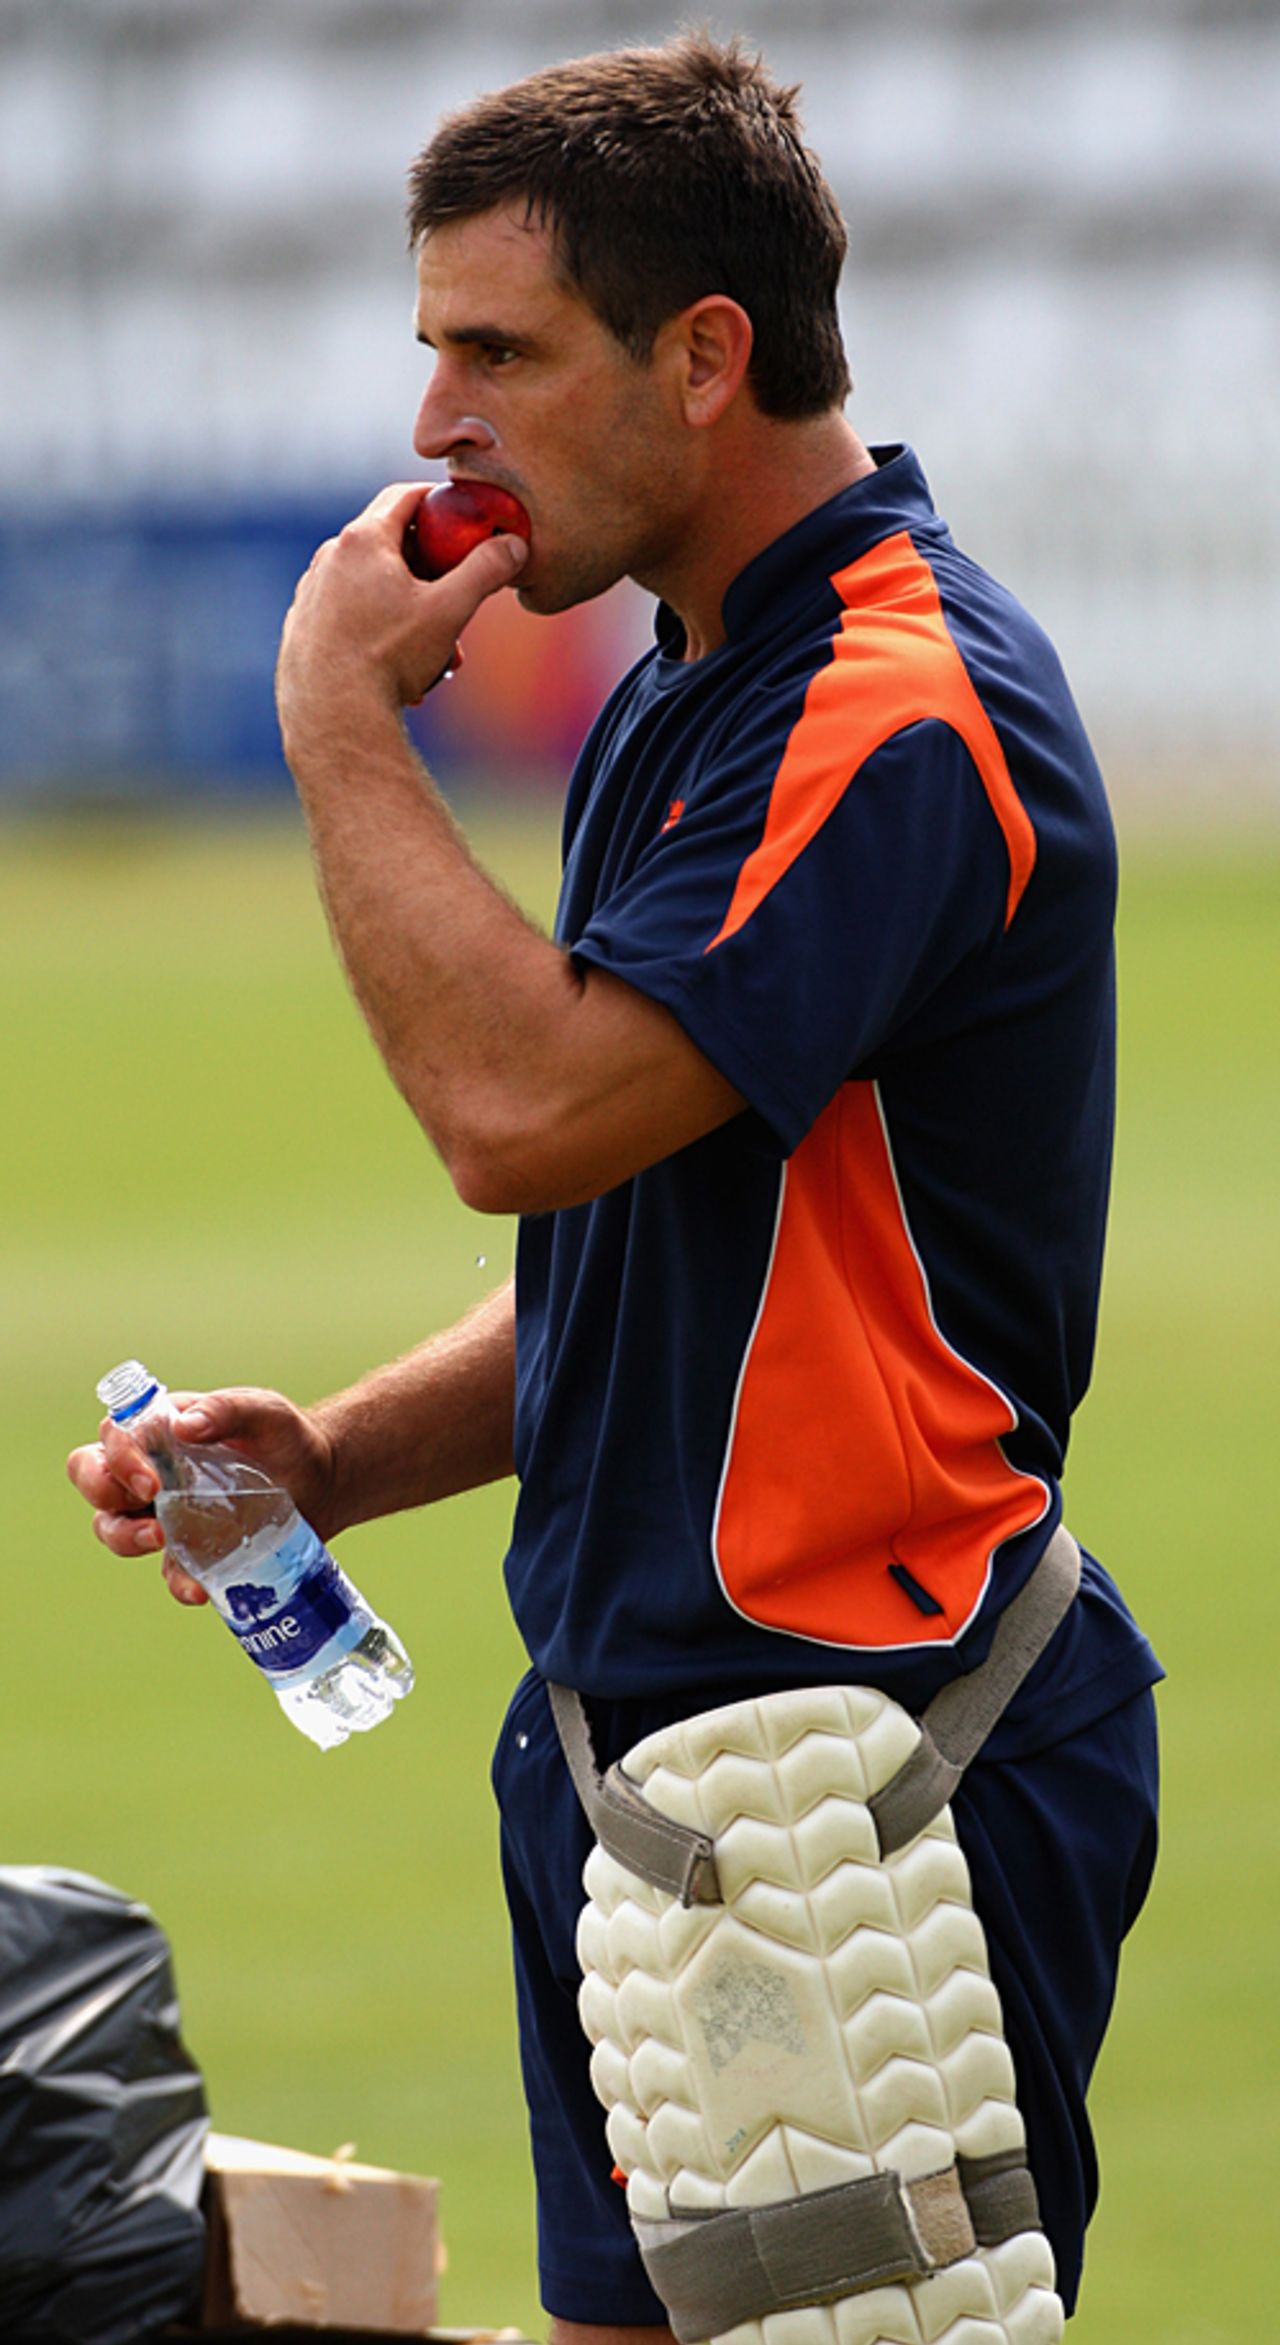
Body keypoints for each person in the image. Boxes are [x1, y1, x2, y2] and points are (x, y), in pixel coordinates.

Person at [67, 33, 1161, 2342]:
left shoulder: (894, 699)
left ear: (702, 356)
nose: (437, 422)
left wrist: (336, 715)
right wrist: (344, 1456)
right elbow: (653, 1232)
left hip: (871, 1761)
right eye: (429, 351)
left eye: (498, 352)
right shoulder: (690, 679)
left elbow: (525, 1116)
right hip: (644, 1756)